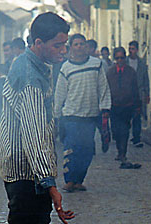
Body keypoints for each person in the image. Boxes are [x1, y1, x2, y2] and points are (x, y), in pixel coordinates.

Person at [0, 12, 74, 224]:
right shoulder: (27, 72)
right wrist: (50, 183)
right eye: (58, 46)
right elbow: (34, 132)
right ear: (38, 43)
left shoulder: (40, 67)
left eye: (65, 45)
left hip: (29, 163)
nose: (63, 52)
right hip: (22, 164)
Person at [54, 33, 111, 192]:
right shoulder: (66, 68)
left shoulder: (96, 64)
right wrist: (56, 115)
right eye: (76, 44)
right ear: (70, 48)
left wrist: (105, 108)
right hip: (71, 116)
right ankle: (69, 180)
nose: (79, 47)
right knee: (71, 148)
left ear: (86, 46)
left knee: (86, 150)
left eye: (82, 44)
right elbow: (60, 93)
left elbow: (103, 88)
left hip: (90, 116)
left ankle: (79, 180)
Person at [106, 47, 141, 169]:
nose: (120, 60)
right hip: (114, 106)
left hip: (127, 106)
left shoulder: (131, 72)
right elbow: (106, 89)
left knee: (125, 130)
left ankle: (123, 153)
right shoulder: (110, 72)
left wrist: (137, 105)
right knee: (116, 130)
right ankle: (119, 150)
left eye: (122, 58)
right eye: (117, 58)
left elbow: (135, 89)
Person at [127, 40, 150, 148]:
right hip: (127, 94)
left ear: (136, 50)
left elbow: (146, 79)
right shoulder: (125, 61)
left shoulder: (141, 63)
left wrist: (147, 93)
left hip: (139, 93)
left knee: (137, 116)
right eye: (130, 49)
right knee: (127, 116)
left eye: (133, 49)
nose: (131, 51)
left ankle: (137, 137)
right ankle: (126, 135)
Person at [0, 41, 14, 154]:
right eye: (4, 51)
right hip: (2, 102)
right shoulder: (3, 66)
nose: (6, 53)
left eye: (7, 50)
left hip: (12, 102)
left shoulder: (17, 65)